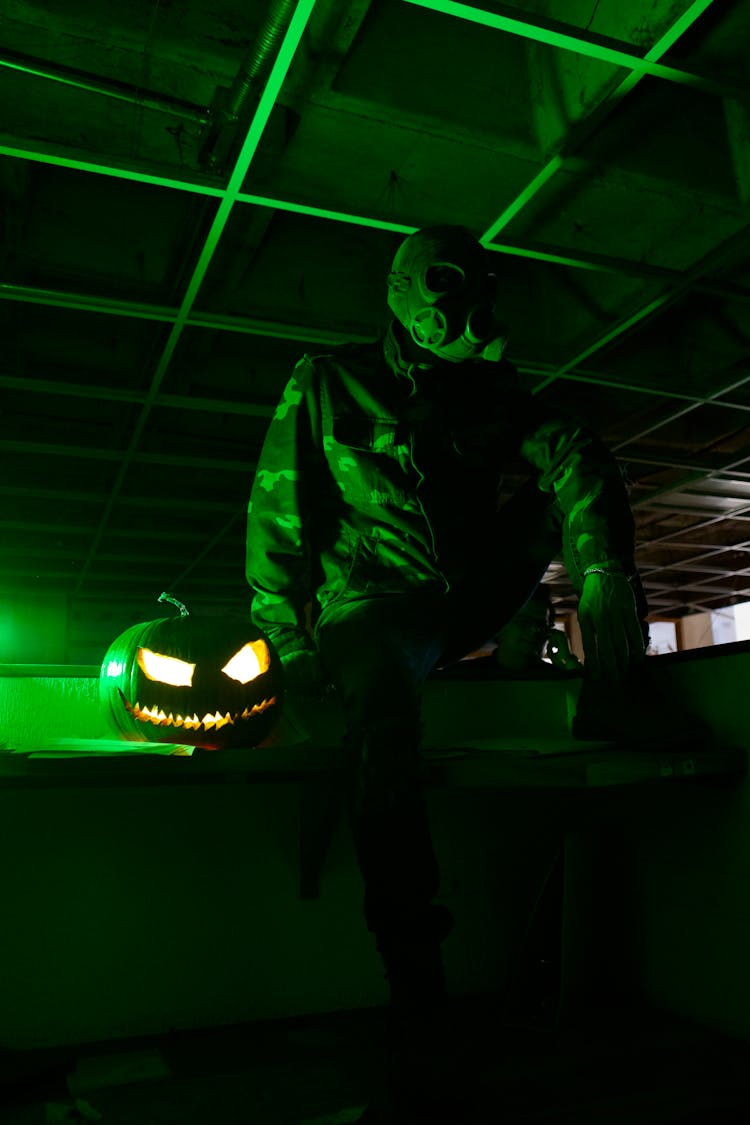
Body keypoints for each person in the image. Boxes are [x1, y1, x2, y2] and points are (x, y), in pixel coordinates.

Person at [245, 224, 648, 1119]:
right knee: (384, 727)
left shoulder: (491, 394)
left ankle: (613, 690)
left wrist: (604, 572)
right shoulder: (327, 380)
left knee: (574, 468)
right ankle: (416, 984)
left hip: (461, 599)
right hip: (372, 605)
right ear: (397, 291)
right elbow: (279, 509)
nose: (461, 307)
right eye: (441, 284)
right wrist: (289, 636)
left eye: (474, 288)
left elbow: (570, 451)